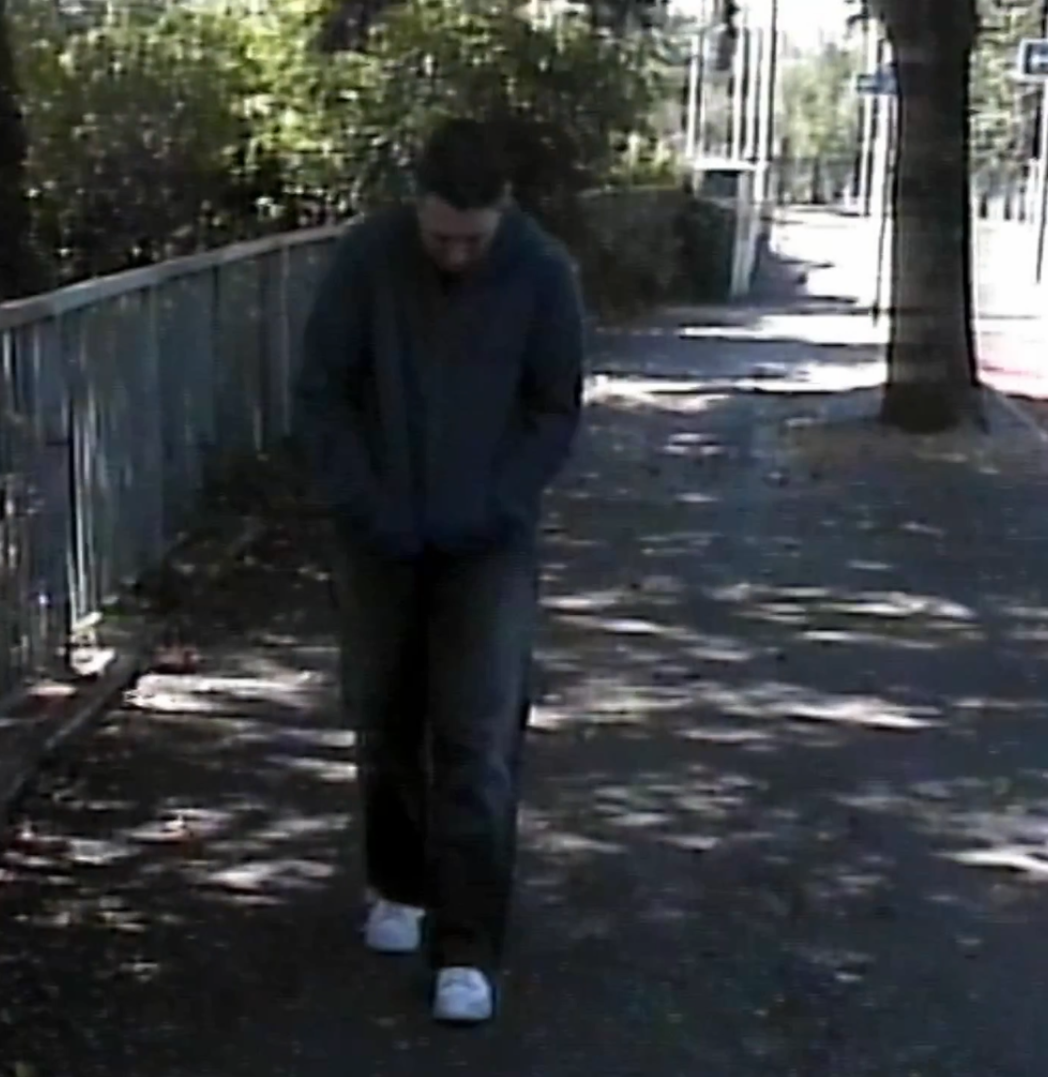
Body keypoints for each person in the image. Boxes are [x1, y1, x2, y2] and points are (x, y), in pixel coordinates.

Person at [291, 118, 586, 1025]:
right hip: (379, 533)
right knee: (383, 714)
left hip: (485, 543)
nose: (455, 253)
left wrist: (500, 503)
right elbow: (321, 390)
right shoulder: (366, 260)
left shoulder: (541, 273)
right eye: (440, 236)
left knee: (477, 738)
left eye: (473, 238)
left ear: (503, 212)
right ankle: (397, 881)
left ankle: (469, 945)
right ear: (415, 204)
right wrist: (358, 498)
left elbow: (553, 407)